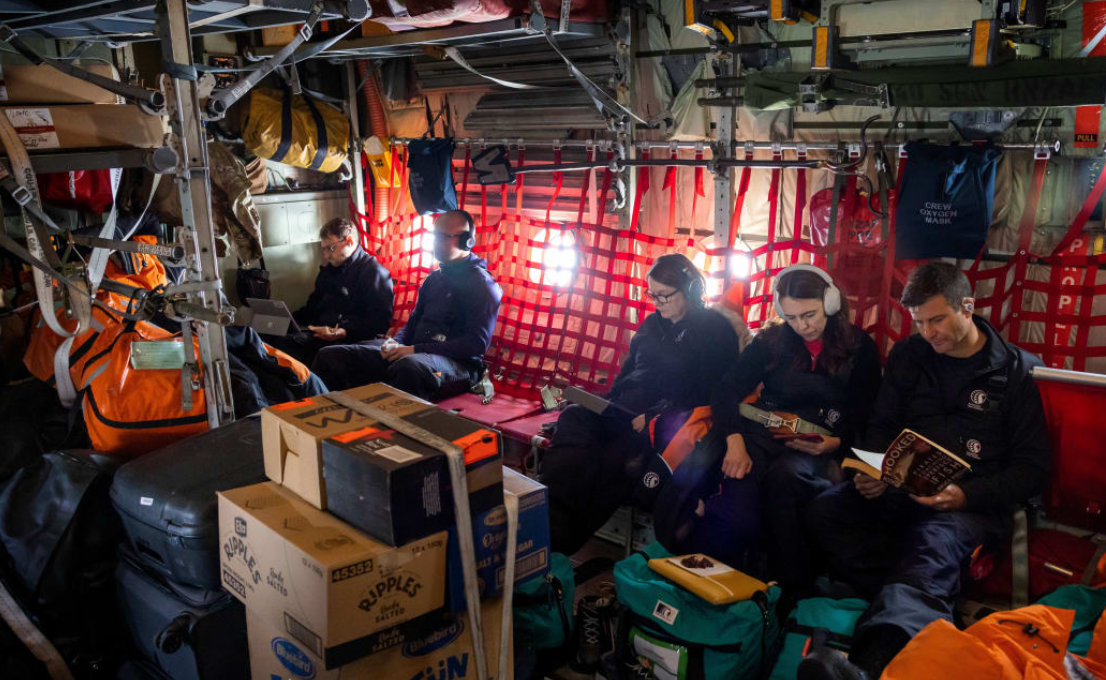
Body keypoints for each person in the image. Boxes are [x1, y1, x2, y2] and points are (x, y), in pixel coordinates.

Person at [800, 262, 1052, 680]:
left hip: (969, 505)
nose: (929, 332)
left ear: (967, 307)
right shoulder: (909, 355)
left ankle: (866, 668)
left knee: (931, 547)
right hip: (901, 490)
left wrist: (966, 495)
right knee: (824, 511)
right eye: (919, 323)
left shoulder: (1017, 371)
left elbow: (1033, 469)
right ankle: (906, 599)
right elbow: (880, 427)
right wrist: (870, 469)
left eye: (937, 319)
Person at [686, 264, 881, 582]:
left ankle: (788, 592)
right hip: (763, 435)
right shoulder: (772, 340)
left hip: (819, 448)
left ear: (830, 303)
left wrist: (838, 444)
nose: (802, 326)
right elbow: (725, 389)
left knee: (786, 479)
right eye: (791, 317)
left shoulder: (859, 348)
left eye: (809, 314)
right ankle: (711, 586)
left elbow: (868, 416)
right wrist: (734, 440)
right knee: (735, 501)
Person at [540, 254, 740, 555]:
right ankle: (546, 508)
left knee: (613, 461)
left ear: (689, 289)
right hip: (622, 408)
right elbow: (628, 371)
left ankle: (557, 542)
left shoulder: (714, 330)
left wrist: (655, 415)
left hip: (664, 422)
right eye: (652, 294)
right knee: (573, 417)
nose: (657, 302)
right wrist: (605, 401)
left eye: (664, 295)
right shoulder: (651, 325)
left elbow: (709, 393)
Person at [310, 210, 502, 401]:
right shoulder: (434, 280)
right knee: (331, 356)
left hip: (458, 367)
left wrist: (414, 350)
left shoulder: (483, 285)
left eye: (443, 237)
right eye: (434, 236)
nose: (436, 242)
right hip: (415, 354)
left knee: (408, 367)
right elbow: (412, 324)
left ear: (466, 241)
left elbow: (475, 345)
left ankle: (385, 428)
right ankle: (329, 419)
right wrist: (395, 343)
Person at [263, 217, 393, 366]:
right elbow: (312, 308)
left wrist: (345, 331)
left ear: (349, 241)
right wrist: (288, 321)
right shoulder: (329, 271)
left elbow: (380, 321)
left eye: (330, 248)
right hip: (318, 332)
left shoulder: (373, 272)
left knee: (285, 346)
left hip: (350, 338)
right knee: (267, 337)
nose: (325, 255)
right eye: (323, 248)